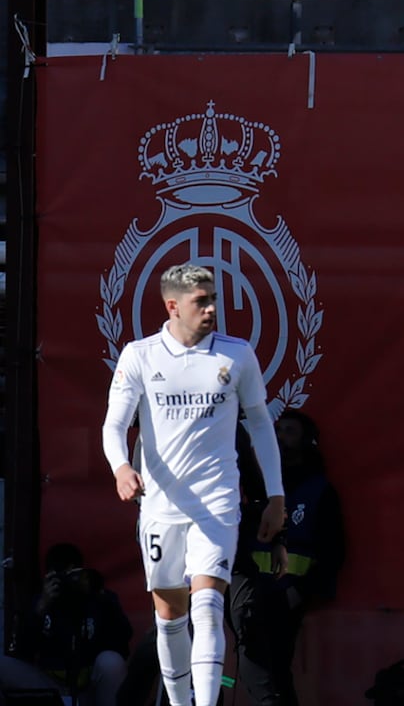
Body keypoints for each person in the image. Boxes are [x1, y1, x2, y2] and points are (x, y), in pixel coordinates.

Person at [102, 263, 285, 706]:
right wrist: (121, 468)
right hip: (161, 506)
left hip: (216, 501)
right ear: (172, 306)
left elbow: (261, 424)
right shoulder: (140, 355)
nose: (211, 309)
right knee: (170, 616)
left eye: (213, 299)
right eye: (201, 301)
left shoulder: (236, 354)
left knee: (208, 606)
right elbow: (114, 425)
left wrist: (276, 494)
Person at [230, 410, 346, 706]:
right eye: (277, 431)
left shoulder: (319, 490)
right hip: (249, 594)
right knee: (256, 666)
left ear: (307, 442)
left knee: (277, 669)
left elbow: (332, 549)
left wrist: (300, 592)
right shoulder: (257, 488)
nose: (280, 437)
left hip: (288, 595)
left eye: (289, 431)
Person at [5, 543, 132, 706]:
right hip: (50, 687)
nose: (69, 582)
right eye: (63, 576)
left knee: (111, 662)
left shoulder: (100, 599)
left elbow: (123, 644)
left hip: (89, 687)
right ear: (50, 577)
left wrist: (101, 599)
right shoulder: (40, 602)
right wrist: (40, 609)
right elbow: (22, 652)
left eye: (74, 575)